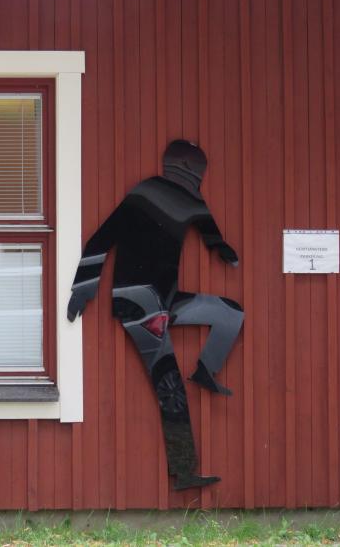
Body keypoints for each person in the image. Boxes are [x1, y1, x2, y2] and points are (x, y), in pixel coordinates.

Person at [67, 140, 244, 490]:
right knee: (169, 385)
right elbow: (102, 239)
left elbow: (211, 235)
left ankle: (206, 370)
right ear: (193, 171)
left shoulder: (186, 200)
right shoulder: (147, 193)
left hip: (166, 299)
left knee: (230, 313)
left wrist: (225, 251)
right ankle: (184, 472)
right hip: (139, 301)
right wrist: (82, 289)